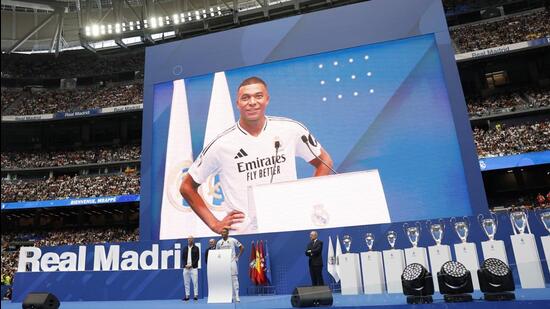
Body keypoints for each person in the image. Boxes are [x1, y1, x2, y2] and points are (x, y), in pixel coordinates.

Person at [180, 76, 333, 234]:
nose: (252, 102)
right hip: (244, 236)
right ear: (237, 103)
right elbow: (187, 186)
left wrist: (309, 199)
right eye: (245, 98)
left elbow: (324, 161)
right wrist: (214, 224)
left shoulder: (291, 130)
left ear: (267, 99)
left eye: (258, 96)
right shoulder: (221, 144)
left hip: (289, 227)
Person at [216, 228, 244, 302]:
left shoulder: (233, 240)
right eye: (222, 232)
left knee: (234, 279)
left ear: (228, 233)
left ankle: (237, 296)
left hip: (232, 262)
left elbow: (242, 247)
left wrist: (237, 256)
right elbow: (217, 253)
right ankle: (230, 296)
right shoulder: (219, 242)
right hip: (223, 263)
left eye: (224, 232)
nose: (223, 234)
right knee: (226, 280)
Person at [182, 236, 200, 301]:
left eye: (191, 239)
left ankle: (195, 295)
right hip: (186, 268)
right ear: (187, 240)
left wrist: (192, 265)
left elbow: (197, 258)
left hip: (194, 268)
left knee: (195, 282)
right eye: (189, 239)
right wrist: (185, 265)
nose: (190, 240)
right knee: (186, 282)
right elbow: (183, 258)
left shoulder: (196, 248)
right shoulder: (185, 248)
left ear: (193, 240)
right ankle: (187, 296)